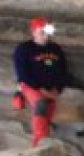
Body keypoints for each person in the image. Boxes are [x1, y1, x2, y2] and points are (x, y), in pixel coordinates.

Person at [12, 17, 70, 146]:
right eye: (42, 32)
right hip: (31, 86)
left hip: (52, 87)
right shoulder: (23, 49)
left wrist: (58, 88)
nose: (45, 36)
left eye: (47, 33)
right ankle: (40, 141)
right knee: (42, 103)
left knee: (48, 111)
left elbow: (64, 70)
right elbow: (22, 74)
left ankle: (41, 139)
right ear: (33, 32)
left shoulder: (56, 49)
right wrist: (41, 89)